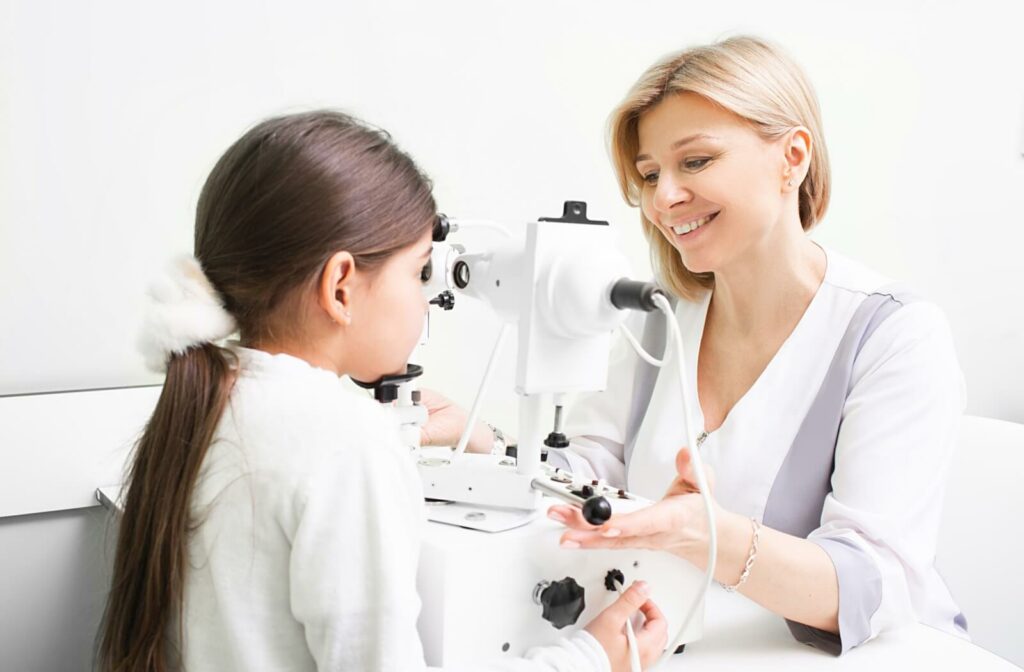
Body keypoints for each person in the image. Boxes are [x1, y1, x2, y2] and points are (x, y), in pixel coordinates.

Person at [422, 35, 967, 655]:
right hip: (699, 643)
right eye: (650, 174)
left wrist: (704, 534)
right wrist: (483, 439)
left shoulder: (894, 335)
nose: (662, 198)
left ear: (793, 157)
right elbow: (592, 471)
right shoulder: (661, 316)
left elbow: (871, 586)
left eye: (697, 161)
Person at [98, 110, 667, 672]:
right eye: (420, 274)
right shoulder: (346, 441)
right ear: (341, 286)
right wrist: (591, 656)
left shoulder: (212, 393)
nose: (426, 301)